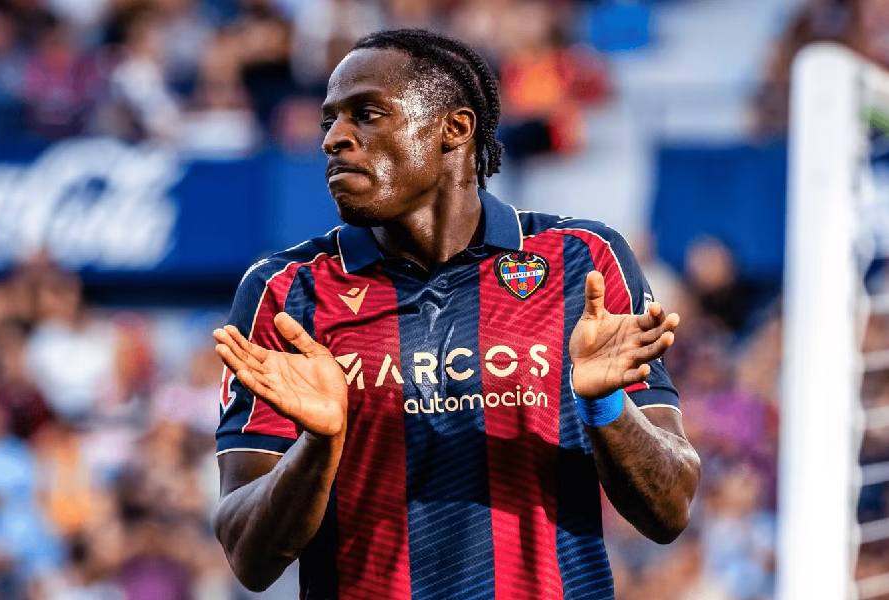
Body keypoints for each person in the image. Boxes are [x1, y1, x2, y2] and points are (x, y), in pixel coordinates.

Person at [211, 28, 700, 599]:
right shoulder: (286, 292)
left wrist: (604, 404)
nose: (335, 139)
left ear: (456, 129)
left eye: (366, 114)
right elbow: (248, 557)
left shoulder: (581, 263)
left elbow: (669, 510)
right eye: (329, 121)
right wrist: (317, 446)